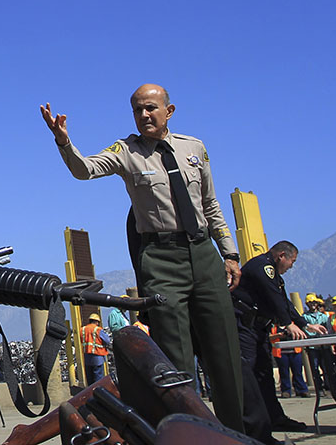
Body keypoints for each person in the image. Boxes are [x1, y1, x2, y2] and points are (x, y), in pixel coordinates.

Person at [41, 84, 244, 433]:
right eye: (137, 110)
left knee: (224, 352)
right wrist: (63, 141)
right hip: (161, 259)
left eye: (150, 108)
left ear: (170, 110)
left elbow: (210, 205)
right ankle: (191, 435)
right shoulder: (126, 151)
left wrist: (229, 253)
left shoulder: (194, 148)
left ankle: (236, 434)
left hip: (204, 254)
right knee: (175, 359)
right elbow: (83, 169)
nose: (144, 115)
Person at [231, 241, 326, 443]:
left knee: (264, 375)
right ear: (281, 255)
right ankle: (251, 428)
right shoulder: (262, 267)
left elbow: (283, 300)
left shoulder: (274, 275)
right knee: (247, 376)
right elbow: (272, 296)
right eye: (292, 261)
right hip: (245, 327)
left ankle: (274, 418)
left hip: (259, 328)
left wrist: (304, 324)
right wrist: (286, 323)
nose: (292, 266)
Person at [303, 293, 336, 395]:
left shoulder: (324, 317)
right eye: (310, 303)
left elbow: (328, 330)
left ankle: (331, 387)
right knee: (315, 369)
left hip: (325, 345)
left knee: (327, 368)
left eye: (314, 303)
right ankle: (319, 389)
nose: (312, 305)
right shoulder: (305, 317)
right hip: (313, 347)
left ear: (317, 303)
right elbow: (305, 330)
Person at [270, 325, 309, 398]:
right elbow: (269, 337)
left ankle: (302, 390)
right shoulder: (273, 327)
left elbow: (301, 335)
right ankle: (286, 391)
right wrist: (278, 335)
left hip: (295, 351)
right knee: (284, 372)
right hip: (281, 353)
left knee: (298, 372)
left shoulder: (294, 325)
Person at [80, 313, 111, 385]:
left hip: (87, 356)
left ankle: (91, 394)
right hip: (97, 356)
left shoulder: (83, 329)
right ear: (97, 322)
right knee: (98, 379)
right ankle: (99, 393)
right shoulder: (98, 329)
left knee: (90, 379)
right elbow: (107, 340)